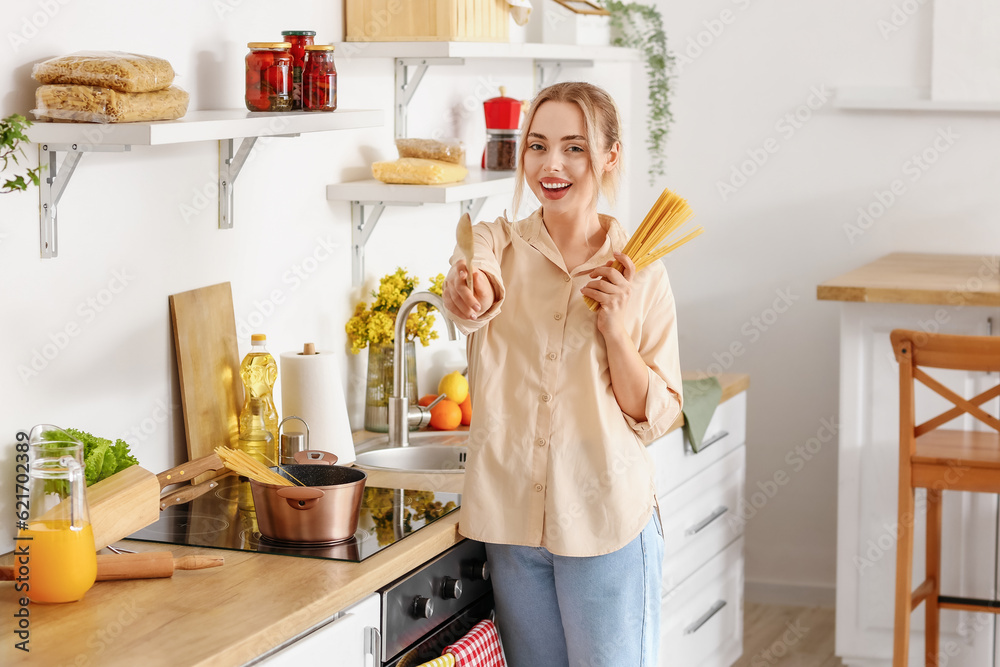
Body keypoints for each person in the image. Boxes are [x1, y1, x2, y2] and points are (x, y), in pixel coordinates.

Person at [442, 81, 683, 667]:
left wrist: (617, 331)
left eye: (575, 148)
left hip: (606, 529)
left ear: (609, 157)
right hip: (513, 526)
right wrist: (466, 293)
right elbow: (468, 287)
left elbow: (658, 417)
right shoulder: (497, 249)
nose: (552, 166)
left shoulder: (641, 271)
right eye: (538, 146)